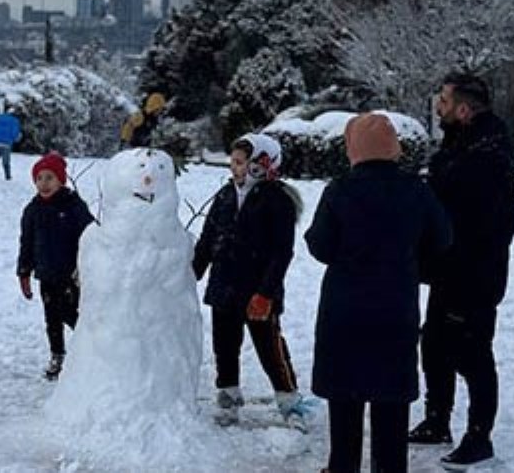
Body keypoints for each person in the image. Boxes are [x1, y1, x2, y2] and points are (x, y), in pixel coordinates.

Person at [306, 114, 452, 473]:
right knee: (391, 399)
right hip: (395, 306)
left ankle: (343, 466)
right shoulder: (416, 190)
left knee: (345, 398)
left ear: (352, 147)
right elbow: (443, 238)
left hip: (345, 308)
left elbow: (320, 245)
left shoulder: (340, 190)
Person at [410, 72, 514, 470]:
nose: (438, 107)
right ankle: (437, 419)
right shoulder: (463, 144)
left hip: (475, 271)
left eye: (443, 100)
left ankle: (479, 437)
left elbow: (475, 216)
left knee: (472, 351)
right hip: (448, 268)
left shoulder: (486, 154)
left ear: (463, 108)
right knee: (434, 344)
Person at [191, 132, 313, 430]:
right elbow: (208, 240)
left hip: (258, 290)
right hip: (224, 286)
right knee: (225, 345)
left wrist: (266, 293)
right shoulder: (225, 195)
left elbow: (281, 252)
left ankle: (288, 399)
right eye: (232, 162)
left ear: (262, 163)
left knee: (270, 348)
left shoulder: (277, 200)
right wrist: (191, 273)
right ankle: (229, 396)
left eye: (240, 162)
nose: (234, 168)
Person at [16, 151, 94, 381]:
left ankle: (91, 351)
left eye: (49, 177)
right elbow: (26, 242)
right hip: (46, 275)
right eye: (39, 178)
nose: (44, 183)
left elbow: (90, 235)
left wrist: (87, 264)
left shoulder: (73, 206)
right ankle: (57, 354)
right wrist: (24, 271)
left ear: (61, 180)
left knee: (72, 315)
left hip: (71, 275)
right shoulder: (32, 210)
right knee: (52, 319)